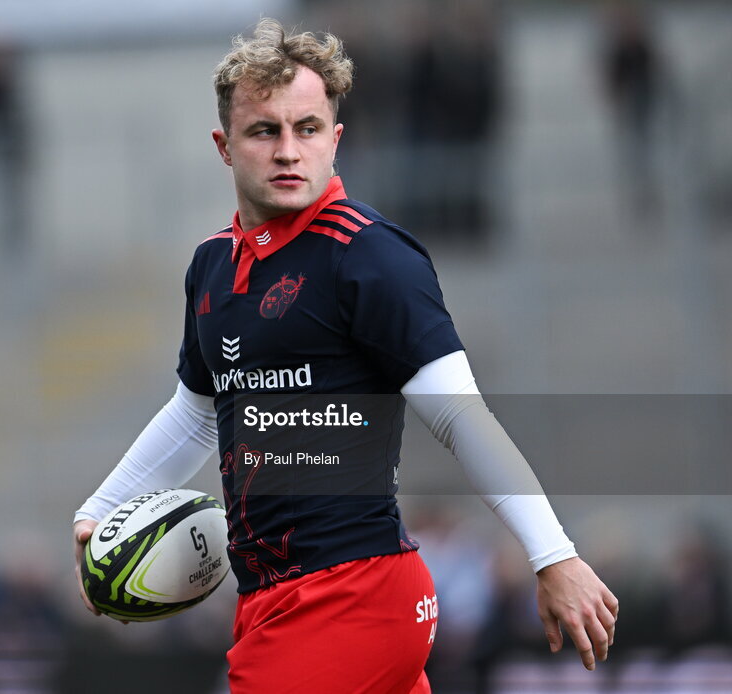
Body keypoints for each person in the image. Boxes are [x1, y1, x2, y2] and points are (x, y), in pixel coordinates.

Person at [74, 19, 618, 693]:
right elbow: (197, 415)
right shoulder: (211, 266)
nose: (286, 150)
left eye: (306, 129)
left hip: (351, 595)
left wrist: (552, 555)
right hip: (269, 599)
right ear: (224, 145)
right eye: (263, 130)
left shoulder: (368, 255)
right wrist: (100, 509)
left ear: (335, 139)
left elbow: (459, 417)